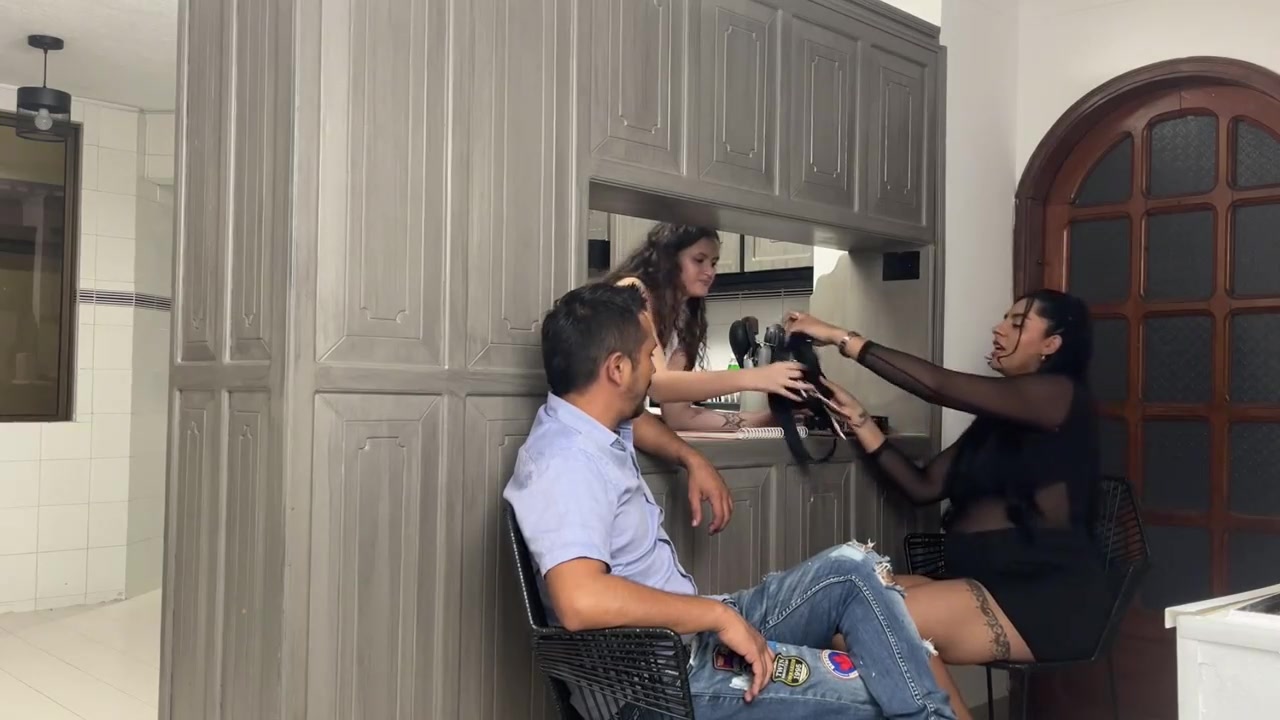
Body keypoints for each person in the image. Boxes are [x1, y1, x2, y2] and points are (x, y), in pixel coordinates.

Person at [505, 282, 957, 720]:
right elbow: (579, 600)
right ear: (617, 370)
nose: (653, 373)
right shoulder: (565, 463)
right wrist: (717, 616)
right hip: (657, 688)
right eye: (647, 357)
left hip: (687, 644)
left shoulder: (588, 420)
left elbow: (640, 423)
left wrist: (690, 457)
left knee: (854, 567)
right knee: (880, 688)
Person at [785, 290, 1109, 715]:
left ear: (1051, 344)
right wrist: (860, 420)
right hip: (985, 582)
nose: (998, 329)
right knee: (841, 603)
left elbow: (937, 386)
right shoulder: (998, 420)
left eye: (1017, 323)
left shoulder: (1061, 395)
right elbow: (923, 486)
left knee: (870, 621)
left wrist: (840, 337)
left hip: (1046, 597)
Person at [604, 223, 811, 431]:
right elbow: (657, 384)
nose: (710, 272)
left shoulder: (685, 318)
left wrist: (770, 420)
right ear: (668, 259)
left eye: (713, 263)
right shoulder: (632, 290)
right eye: (699, 260)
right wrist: (756, 377)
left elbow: (680, 417)